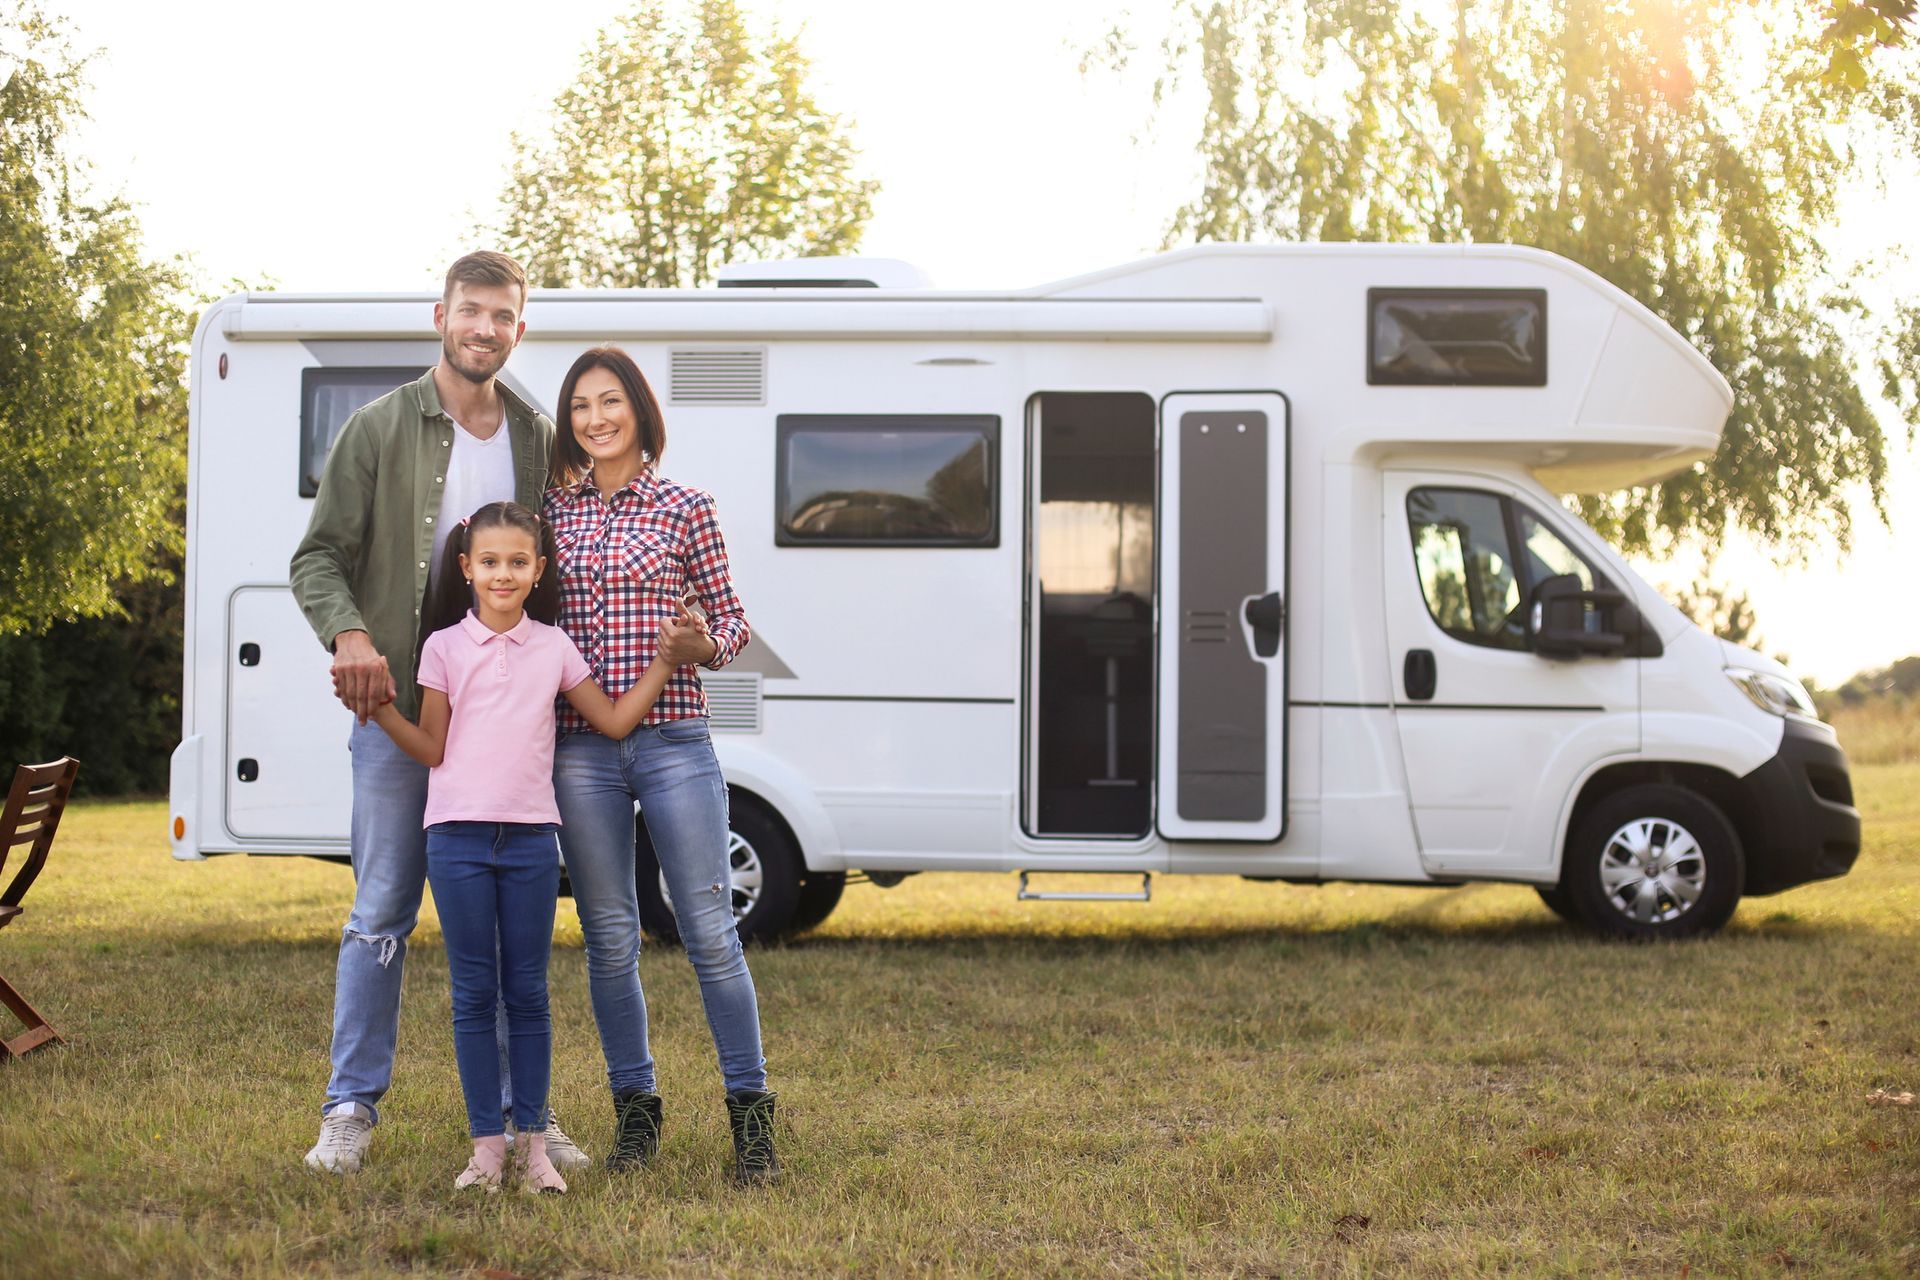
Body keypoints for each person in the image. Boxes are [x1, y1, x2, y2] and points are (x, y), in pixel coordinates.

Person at [289, 251, 590, 1174]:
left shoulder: (539, 437)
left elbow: (561, 567)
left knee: (505, 929)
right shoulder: (379, 428)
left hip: (501, 727)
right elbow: (318, 560)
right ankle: (350, 1108)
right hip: (397, 708)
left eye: (502, 316)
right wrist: (348, 637)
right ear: (440, 316)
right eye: (471, 311)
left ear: (518, 330)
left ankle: (524, 1114)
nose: (485, 329)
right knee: (381, 908)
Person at [371, 501, 675, 1193]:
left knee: (529, 994)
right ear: (466, 569)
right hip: (456, 840)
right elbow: (431, 746)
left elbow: (616, 718)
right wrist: (381, 709)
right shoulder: (443, 648)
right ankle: (486, 1148)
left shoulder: (555, 648)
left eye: (516, 562)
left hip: (534, 842)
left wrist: (663, 661)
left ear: (538, 570)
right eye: (488, 562)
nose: (501, 574)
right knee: (475, 994)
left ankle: (534, 1149)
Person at [543, 345, 780, 1185]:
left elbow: (732, 623)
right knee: (609, 940)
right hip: (580, 748)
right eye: (580, 406)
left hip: (675, 740)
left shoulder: (686, 507)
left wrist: (702, 646)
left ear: (640, 412)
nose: (595, 419)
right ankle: (635, 1116)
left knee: (710, 933)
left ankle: (752, 1122)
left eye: (610, 402)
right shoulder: (554, 514)